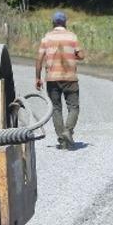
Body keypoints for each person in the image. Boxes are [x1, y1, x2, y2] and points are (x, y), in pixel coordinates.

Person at [35, 11, 84, 149]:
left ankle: (62, 140)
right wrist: (73, 56)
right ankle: (68, 131)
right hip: (70, 78)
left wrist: (38, 78)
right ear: (65, 22)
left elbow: (39, 59)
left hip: (52, 79)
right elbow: (81, 55)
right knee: (73, 107)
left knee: (56, 109)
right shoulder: (72, 37)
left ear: (53, 23)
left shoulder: (46, 38)